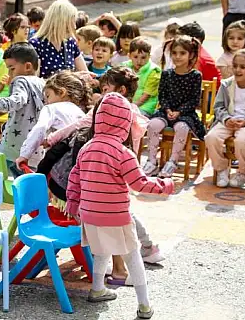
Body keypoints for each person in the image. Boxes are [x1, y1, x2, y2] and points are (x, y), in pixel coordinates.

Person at [65, 93, 174, 320]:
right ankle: (144, 305)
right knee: (133, 257)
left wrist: (74, 202)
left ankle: (97, 289)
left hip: (90, 215)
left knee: (101, 251)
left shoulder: (87, 148)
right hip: (116, 215)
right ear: (125, 123)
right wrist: (164, 186)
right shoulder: (123, 153)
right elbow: (139, 183)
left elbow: (74, 178)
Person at [206, 49, 245, 188]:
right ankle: (222, 169)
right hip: (227, 121)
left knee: (242, 140)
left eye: (243, 67)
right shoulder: (226, 84)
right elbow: (218, 107)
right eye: (235, 66)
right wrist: (227, 119)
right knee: (211, 137)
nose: (237, 70)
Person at [144, 35, 205, 178]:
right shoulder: (166, 74)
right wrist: (168, 109)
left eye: (182, 53)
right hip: (166, 111)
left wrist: (179, 112)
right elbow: (162, 95)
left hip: (186, 113)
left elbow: (194, 100)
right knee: (153, 124)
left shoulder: (195, 75)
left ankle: (172, 161)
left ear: (191, 55)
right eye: (174, 53)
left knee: (181, 128)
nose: (177, 56)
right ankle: (152, 161)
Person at [0, 43, 45, 175]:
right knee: (25, 180)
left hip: (13, 144)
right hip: (34, 146)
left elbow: (18, 99)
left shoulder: (20, 80)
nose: (10, 74)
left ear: (27, 66)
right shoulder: (42, 83)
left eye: (11, 69)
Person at [15, 71, 90, 168]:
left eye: (48, 96)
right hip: (78, 161)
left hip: (57, 161)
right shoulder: (82, 114)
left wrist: (24, 155)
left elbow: (39, 129)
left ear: (62, 92)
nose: (46, 102)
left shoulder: (51, 108)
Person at [30, 0, 88, 78]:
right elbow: (34, 82)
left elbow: (85, 72)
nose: (74, 26)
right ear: (59, 22)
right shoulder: (36, 44)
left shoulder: (70, 43)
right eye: (71, 22)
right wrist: (72, 77)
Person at [124, 37, 160, 117]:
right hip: (127, 104)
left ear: (149, 56)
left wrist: (131, 107)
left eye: (143, 57)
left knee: (131, 117)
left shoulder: (154, 71)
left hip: (145, 107)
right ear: (129, 56)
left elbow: (146, 96)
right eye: (135, 57)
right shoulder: (124, 67)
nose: (139, 61)